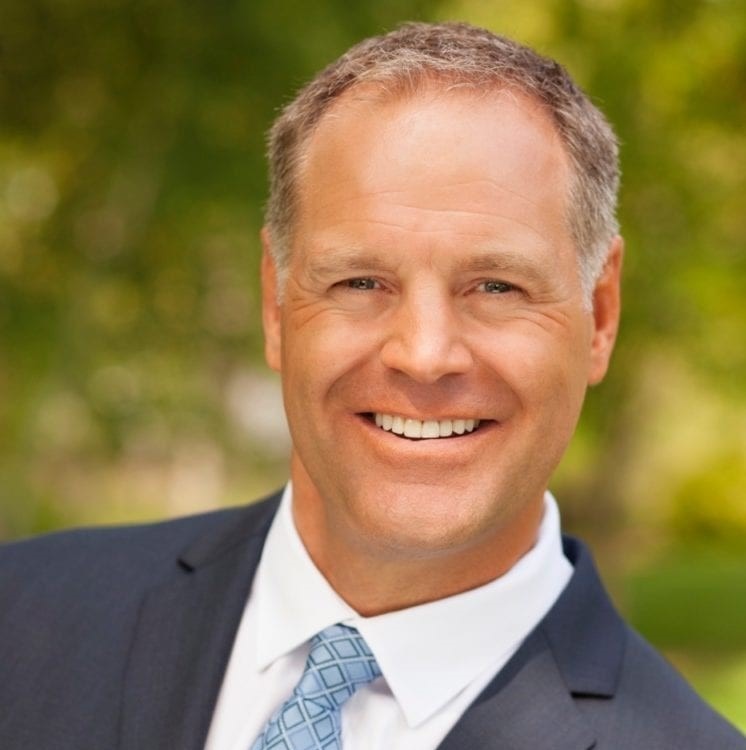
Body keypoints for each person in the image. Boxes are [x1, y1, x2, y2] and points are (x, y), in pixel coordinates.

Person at [0, 21, 744, 750]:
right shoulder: (22, 620)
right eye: (360, 281)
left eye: (496, 286)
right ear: (275, 304)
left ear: (601, 314)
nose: (424, 355)